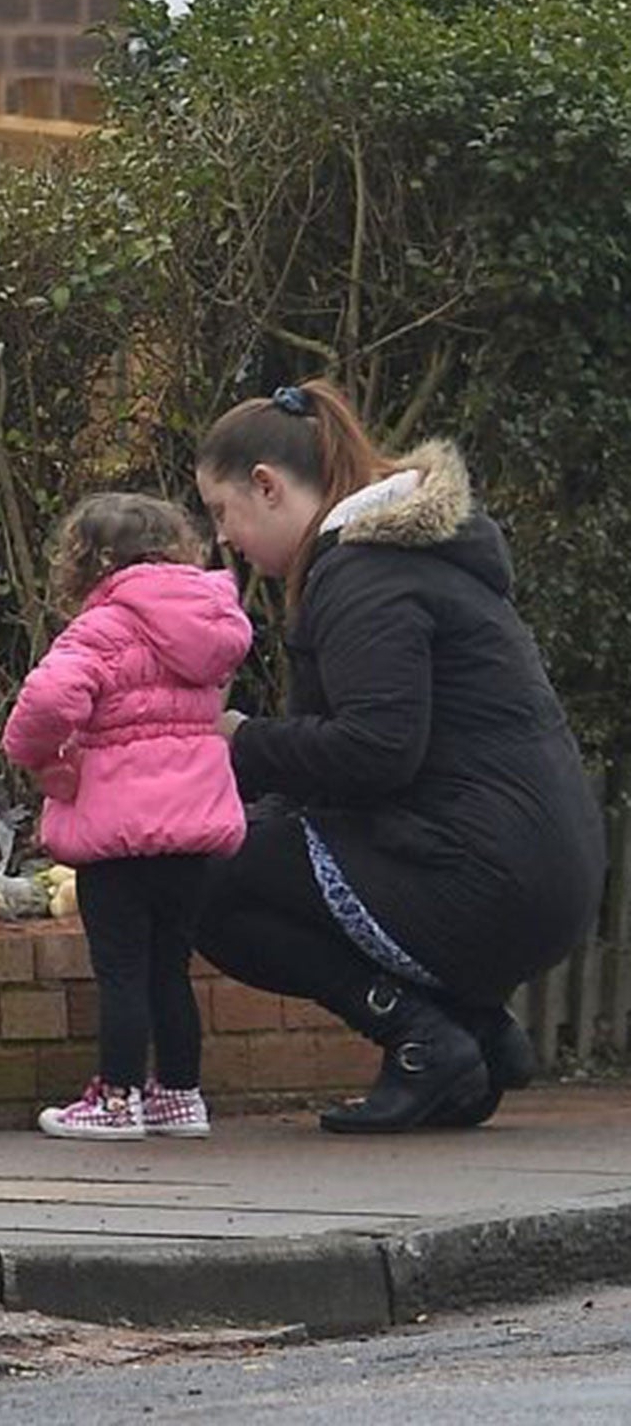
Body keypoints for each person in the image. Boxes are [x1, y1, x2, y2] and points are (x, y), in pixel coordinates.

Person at [193, 379, 605, 1132]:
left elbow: (377, 751)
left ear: (268, 486)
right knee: (261, 845)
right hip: (545, 873)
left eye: (224, 512)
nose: (225, 538)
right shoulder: (415, 559)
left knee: (201, 874)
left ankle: (424, 1039)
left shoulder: (363, 577)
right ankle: (472, 1029)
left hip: (484, 877)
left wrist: (242, 741)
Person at [3, 492, 253, 1140]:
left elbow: (50, 698)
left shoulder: (104, 625)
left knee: (121, 970)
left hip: (119, 834)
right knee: (170, 967)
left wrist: (38, 756)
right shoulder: (206, 621)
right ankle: (178, 1094)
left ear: (87, 562)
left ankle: (116, 1100)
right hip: (193, 834)